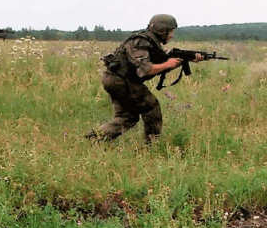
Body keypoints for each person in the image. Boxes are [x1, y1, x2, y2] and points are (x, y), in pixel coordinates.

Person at [86, 14, 203, 144]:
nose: (172, 35)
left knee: (127, 117)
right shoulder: (142, 41)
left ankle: (95, 138)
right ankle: (151, 145)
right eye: (171, 31)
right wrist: (169, 64)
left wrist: (182, 60)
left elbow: (160, 63)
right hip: (121, 80)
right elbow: (145, 69)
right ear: (162, 30)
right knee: (151, 107)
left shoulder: (150, 41)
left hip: (116, 79)